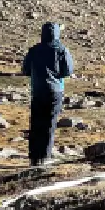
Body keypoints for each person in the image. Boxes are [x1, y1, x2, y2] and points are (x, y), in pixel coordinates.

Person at [20, 22, 75, 166]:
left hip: (38, 91)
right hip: (55, 91)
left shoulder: (34, 50)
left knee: (36, 122)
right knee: (49, 123)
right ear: (57, 33)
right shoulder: (62, 50)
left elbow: (25, 70)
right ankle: (45, 156)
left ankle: (34, 157)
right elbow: (68, 71)